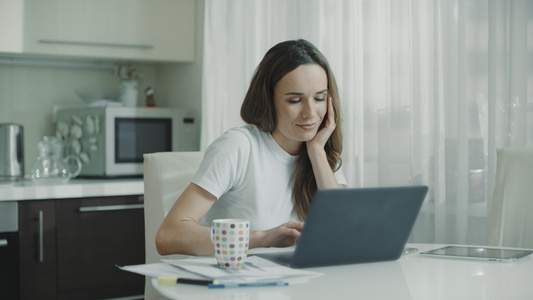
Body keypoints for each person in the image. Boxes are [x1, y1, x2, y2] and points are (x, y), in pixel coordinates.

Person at [156, 39, 346, 256]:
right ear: (268, 100)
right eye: (295, 100)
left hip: (299, 283)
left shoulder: (320, 152)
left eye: (319, 98)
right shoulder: (238, 146)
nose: (310, 112)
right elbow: (168, 235)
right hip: (240, 283)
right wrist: (262, 238)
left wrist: (316, 152)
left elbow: (341, 231)